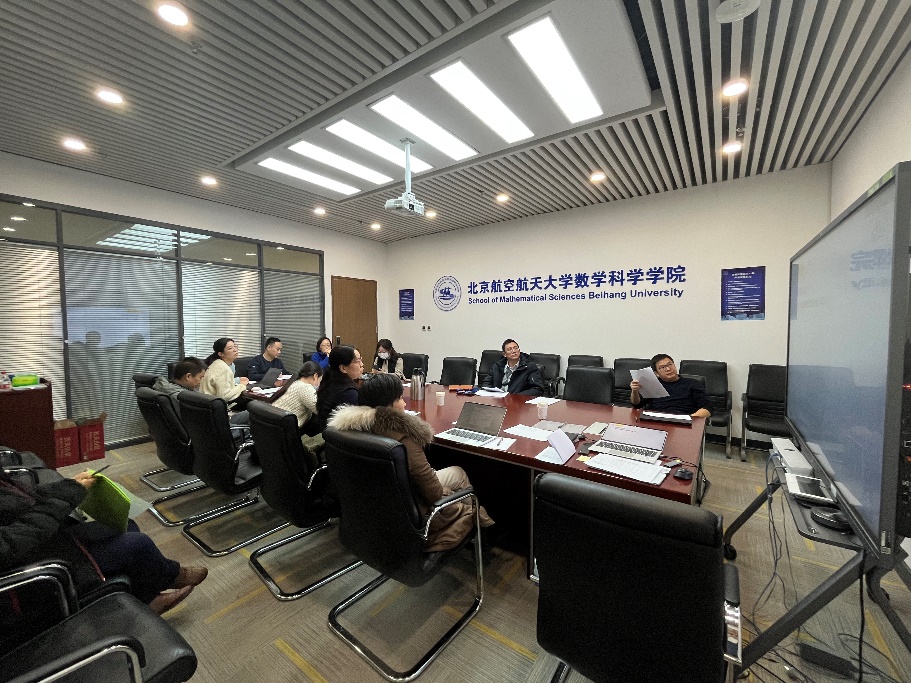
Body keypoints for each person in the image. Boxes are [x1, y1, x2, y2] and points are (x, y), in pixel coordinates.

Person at [0, 469, 208, 614]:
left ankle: (149, 590)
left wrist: (67, 486)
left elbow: (21, 499)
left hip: (48, 543)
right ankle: (165, 582)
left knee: (127, 526)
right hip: (34, 575)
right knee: (138, 545)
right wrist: (64, 498)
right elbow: (11, 544)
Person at [329, 374, 495, 551]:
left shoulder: (352, 428)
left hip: (372, 506)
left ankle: (479, 525)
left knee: (457, 473)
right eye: (400, 398)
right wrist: (448, 491)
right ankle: (479, 529)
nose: (404, 404)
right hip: (411, 513)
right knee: (457, 483)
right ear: (390, 405)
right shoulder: (404, 439)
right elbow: (434, 494)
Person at [629, 354, 712, 418]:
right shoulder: (653, 384)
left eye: (670, 364)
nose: (668, 369)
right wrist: (634, 391)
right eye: (663, 367)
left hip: (682, 419)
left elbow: (708, 408)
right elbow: (637, 404)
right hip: (655, 419)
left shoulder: (692, 384)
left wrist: (689, 419)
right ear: (656, 373)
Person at [315, 346, 362, 429]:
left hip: (327, 432)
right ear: (343, 368)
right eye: (358, 361)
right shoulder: (348, 393)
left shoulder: (329, 381)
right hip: (338, 435)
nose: (362, 364)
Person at [200, 338, 249, 408]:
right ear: (221, 354)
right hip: (213, 407)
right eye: (230, 348)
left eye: (235, 346)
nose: (235, 350)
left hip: (210, 404)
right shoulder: (222, 368)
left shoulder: (223, 364)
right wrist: (242, 386)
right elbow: (225, 396)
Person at [273, 361, 322, 430]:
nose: (319, 384)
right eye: (320, 380)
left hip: (274, 423)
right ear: (315, 376)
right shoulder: (305, 388)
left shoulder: (295, 382)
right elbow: (321, 410)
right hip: (284, 429)